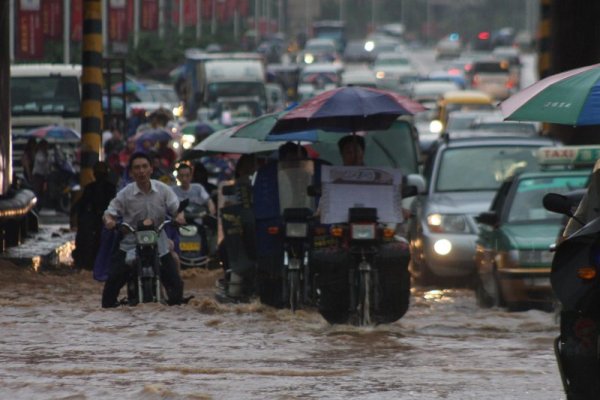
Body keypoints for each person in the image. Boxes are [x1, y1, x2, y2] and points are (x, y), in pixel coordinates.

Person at [101, 152, 186, 308]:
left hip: (158, 240)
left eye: (144, 167)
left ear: (151, 169)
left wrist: (180, 217)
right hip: (131, 242)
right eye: (137, 168)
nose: (141, 171)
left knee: (175, 285)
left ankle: (174, 305)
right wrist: (110, 221)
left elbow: (177, 209)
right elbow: (109, 212)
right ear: (132, 172)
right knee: (111, 286)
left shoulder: (163, 189)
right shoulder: (125, 193)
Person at [72, 162, 116, 270]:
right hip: (93, 218)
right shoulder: (90, 188)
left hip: (106, 218)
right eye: (98, 173)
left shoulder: (110, 188)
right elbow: (82, 204)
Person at [31, 139, 50, 210]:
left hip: (43, 176)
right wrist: (46, 156)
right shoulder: (39, 153)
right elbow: (42, 160)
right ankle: (35, 206)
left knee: (41, 192)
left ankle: (39, 206)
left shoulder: (45, 153)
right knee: (37, 191)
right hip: (37, 175)